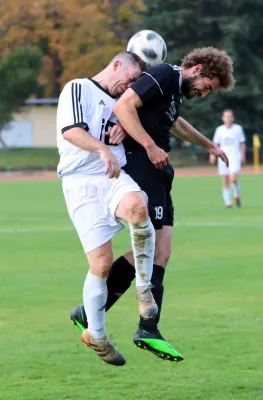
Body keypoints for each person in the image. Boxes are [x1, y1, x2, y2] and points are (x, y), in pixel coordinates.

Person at [70, 47, 235, 362]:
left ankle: (94, 310)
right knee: (151, 245)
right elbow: (124, 104)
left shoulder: (174, 91)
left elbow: (176, 123)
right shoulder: (165, 74)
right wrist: (148, 145)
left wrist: (208, 144)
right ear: (197, 68)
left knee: (162, 250)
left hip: (160, 170)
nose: (204, 94)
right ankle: (147, 326)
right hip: (143, 163)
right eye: (207, 86)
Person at [57, 51, 161, 367]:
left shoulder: (123, 102)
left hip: (113, 175)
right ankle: (97, 336)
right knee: (101, 265)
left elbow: (146, 118)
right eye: (129, 80)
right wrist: (102, 147)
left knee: (138, 207)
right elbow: (71, 131)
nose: (128, 88)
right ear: (116, 65)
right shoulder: (78, 88)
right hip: (80, 181)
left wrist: (127, 128)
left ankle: (144, 290)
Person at [209, 109, 246, 207]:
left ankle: (236, 195)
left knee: (233, 178)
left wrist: (243, 156)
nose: (228, 118)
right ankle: (228, 202)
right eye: (226, 116)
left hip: (235, 157)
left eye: (230, 116)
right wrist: (212, 156)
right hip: (223, 157)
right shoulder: (219, 130)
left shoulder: (238, 129)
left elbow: (242, 143)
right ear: (223, 118)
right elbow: (215, 144)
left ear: (233, 118)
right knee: (225, 180)